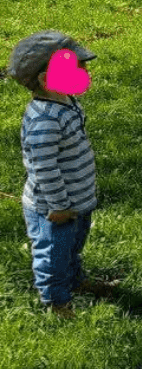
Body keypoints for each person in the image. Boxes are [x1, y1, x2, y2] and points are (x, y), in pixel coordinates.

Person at [6, 31, 117, 319]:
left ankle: (76, 281)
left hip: (76, 202)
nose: (85, 73)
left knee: (71, 248)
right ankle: (57, 302)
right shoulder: (44, 119)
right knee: (53, 255)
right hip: (53, 208)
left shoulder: (66, 103)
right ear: (46, 80)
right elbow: (43, 167)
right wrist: (57, 205)